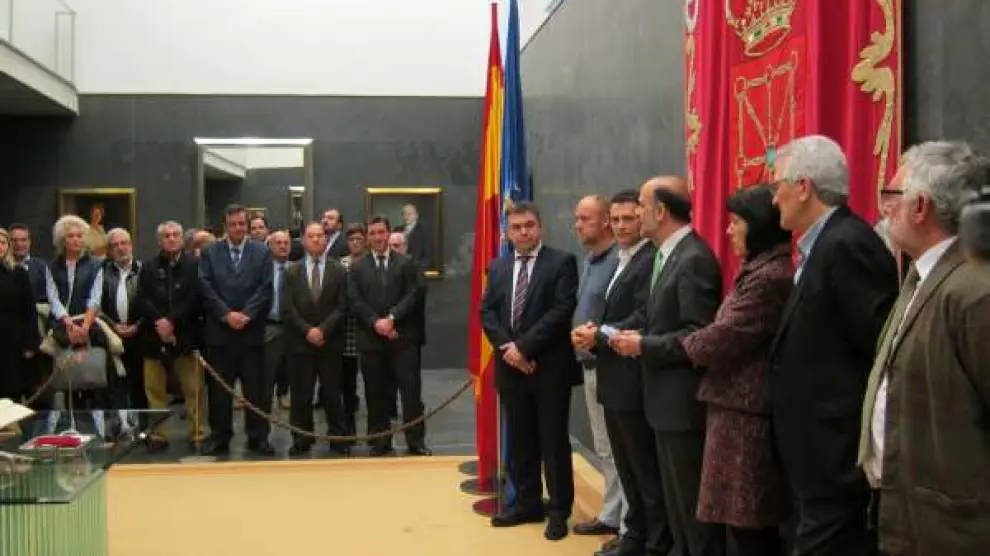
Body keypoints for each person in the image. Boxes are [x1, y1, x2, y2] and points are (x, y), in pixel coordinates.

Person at [638, 185, 794, 554]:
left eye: (736, 222)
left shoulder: (768, 276)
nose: (728, 230)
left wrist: (645, 345)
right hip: (728, 408)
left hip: (746, 413)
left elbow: (717, 336)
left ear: (757, 226)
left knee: (745, 527)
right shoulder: (756, 270)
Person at [768, 135, 898, 556]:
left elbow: (878, 348)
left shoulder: (847, 244)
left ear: (803, 187)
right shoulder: (825, 244)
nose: (774, 199)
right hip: (815, 453)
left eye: (777, 186)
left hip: (836, 453)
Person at [858, 141, 990, 554]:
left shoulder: (975, 289)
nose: (884, 208)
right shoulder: (921, 276)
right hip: (909, 514)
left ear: (920, 207)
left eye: (892, 194)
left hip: (954, 530)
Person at [610, 176, 725, 556]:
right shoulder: (666, 255)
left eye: (641, 206)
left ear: (660, 211)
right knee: (675, 505)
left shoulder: (694, 259)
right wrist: (634, 335)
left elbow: (698, 335)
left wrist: (643, 345)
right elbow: (662, 320)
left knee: (690, 506)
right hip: (662, 401)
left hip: (682, 404)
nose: (636, 212)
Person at [571, 190, 666, 556]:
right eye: (617, 219)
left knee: (639, 466)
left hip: (630, 375)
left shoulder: (648, 259)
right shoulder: (622, 258)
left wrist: (599, 334)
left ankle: (640, 537)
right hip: (608, 370)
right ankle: (631, 531)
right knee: (619, 458)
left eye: (629, 218)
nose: (622, 226)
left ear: (645, 217)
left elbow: (642, 316)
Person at [480, 201, 580, 542]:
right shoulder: (498, 266)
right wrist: (509, 350)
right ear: (507, 232)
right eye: (517, 227)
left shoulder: (562, 262)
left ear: (540, 227)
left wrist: (523, 348)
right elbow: (487, 312)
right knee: (520, 441)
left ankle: (559, 510)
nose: (524, 232)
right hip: (511, 369)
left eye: (529, 225)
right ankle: (527, 504)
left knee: (553, 443)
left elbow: (561, 310)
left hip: (549, 368)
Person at [567, 195, 626, 540]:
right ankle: (611, 513)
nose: (577, 225)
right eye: (576, 218)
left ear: (606, 221)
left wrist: (596, 335)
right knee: (604, 447)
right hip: (590, 365)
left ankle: (628, 524)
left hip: (612, 366)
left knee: (619, 449)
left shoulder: (620, 260)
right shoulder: (590, 260)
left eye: (585, 218)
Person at [347, 215, 429, 456]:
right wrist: (376, 323)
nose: (377, 237)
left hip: (403, 339)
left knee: (411, 393)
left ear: (388, 233)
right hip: (371, 340)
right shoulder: (357, 267)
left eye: (381, 232)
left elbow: (415, 294)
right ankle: (380, 441)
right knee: (375, 393)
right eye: (372, 233)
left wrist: (392, 318)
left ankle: (415, 441)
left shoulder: (407, 263)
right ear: (367, 237)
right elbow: (354, 300)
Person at [198, 204, 275, 456]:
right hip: (220, 334)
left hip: (251, 334)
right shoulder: (210, 252)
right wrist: (226, 314)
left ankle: (257, 437)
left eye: (242, 224)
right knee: (219, 391)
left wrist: (246, 314)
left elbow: (265, 288)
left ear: (247, 225)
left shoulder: (262, 252)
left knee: (255, 391)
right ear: (225, 226)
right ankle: (220, 436)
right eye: (233, 224)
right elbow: (205, 287)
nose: (238, 228)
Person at [138, 221, 207, 452]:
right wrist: (160, 323)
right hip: (154, 335)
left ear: (182, 239)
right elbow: (142, 298)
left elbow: (195, 298)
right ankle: (159, 434)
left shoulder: (195, 266)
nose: (171, 238)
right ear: (160, 241)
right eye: (166, 235)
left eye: (176, 234)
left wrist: (172, 322)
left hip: (186, 335)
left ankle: (198, 433)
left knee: (193, 389)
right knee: (154, 389)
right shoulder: (148, 267)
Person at [283, 222, 349, 455]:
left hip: (330, 342)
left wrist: (322, 330)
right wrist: (308, 331)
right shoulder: (291, 271)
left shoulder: (338, 270)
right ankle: (301, 438)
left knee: (332, 393)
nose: (316, 239)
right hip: (300, 343)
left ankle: (338, 439)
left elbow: (342, 305)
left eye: (320, 235)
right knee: (301, 395)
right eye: (311, 236)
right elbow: (288, 308)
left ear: (326, 239)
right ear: (304, 240)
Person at [100, 228, 146, 416]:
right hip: (112, 338)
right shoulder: (102, 273)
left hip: (140, 337)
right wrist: (113, 326)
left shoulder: (144, 270)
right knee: (115, 389)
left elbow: (152, 304)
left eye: (124, 243)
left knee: (140, 389)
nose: (120, 248)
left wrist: (137, 325)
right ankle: (118, 427)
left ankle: (143, 427)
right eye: (115, 245)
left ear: (131, 245)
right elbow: (96, 306)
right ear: (109, 250)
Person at [0, 228, 40, 402]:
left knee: (12, 395)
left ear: (7, 246)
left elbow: (29, 310)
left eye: (2, 243)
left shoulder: (18, 273)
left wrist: (31, 344)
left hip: (13, 344)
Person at [339, 223, 367, 436]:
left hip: (368, 326)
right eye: (352, 240)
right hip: (346, 328)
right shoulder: (341, 265)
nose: (356, 243)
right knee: (347, 380)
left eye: (359, 239)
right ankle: (348, 426)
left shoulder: (371, 262)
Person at [265, 230, 292, 411]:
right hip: (269, 326)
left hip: (292, 327)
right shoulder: (263, 269)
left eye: (286, 243)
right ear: (270, 246)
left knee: (288, 366)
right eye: (278, 243)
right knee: (268, 369)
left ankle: (284, 392)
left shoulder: (297, 269)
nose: (282, 246)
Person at [9, 224, 48, 302]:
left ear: (29, 242)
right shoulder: (2, 266)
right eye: (14, 240)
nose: (19, 244)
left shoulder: (42, 267)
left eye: (23, 240)